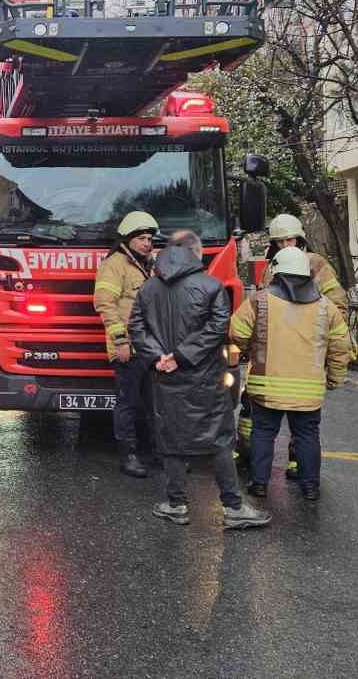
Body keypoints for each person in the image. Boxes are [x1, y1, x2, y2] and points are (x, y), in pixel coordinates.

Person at [130, 231, 270, 530]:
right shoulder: (211, 286)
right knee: (218, 440)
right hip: (204, 377)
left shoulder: (148, 289)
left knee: (172, 441)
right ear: (196, 253)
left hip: (165, 378)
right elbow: (219, 326)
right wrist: (182, 355)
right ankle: (233, 507)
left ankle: (176, 504)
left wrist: (159, 358)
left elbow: (136, 327)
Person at [230, 246, 350, 502]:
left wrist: (249, 349)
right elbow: (340, 344)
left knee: (263, 432)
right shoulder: (326, 307)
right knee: (307, 436)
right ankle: (310, 487)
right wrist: (335, 377)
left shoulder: (259, 300)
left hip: (266, 386)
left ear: (277, 271)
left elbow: (237, 332)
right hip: (308, 391)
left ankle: (259, 484)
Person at [250, 213, 345, 480]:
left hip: (306, 347)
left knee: (298, 418)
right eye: (279, 241)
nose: (285, 245)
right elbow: (260, 306)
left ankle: (293, 465)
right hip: (277, 349)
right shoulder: (272, 266)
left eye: (289, 239)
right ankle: (262, 464)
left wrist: (321, 337)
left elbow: (337, 303)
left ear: (300, 238)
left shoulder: (317, 264)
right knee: (290, 415)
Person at [93, 211, 159, 478]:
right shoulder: (115, 265)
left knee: (155, 404)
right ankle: (129, 456)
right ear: (129, 239)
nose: (147, 243)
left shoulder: (148, 265)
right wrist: (120, 341)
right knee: (128, 403)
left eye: (150, 238)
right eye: (142, 238)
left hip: (150, 347)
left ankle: (159, 454)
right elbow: (105, 304)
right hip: (128, 348)